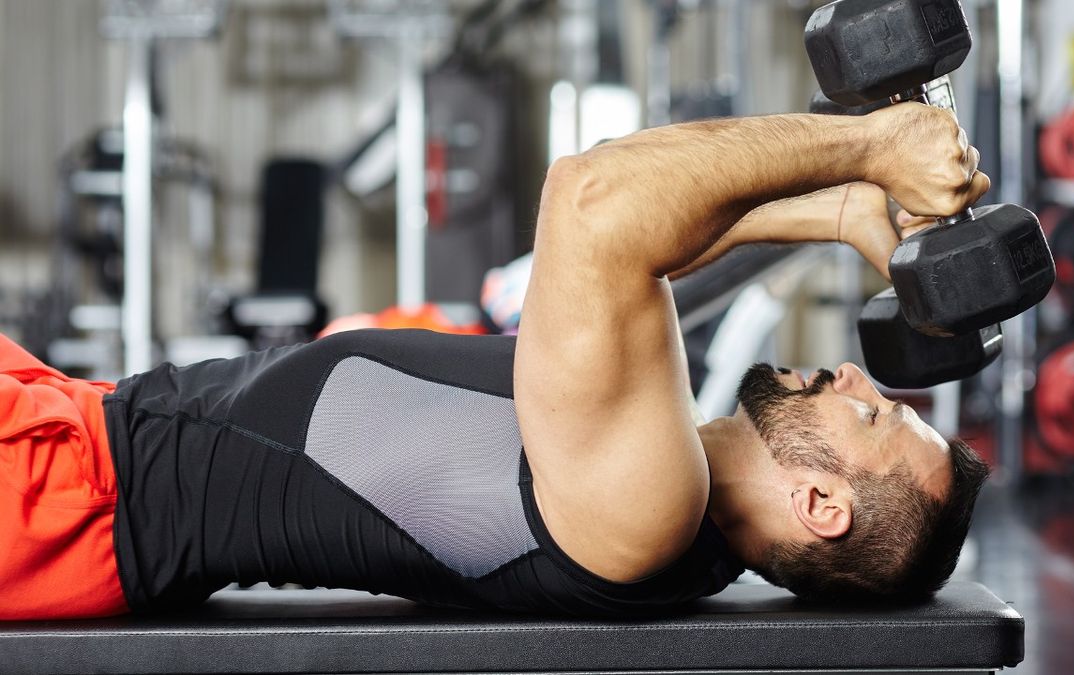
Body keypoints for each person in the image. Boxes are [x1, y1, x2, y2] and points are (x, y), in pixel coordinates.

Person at [1, 103, 990, 620]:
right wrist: (845, 208)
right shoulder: (663, 460)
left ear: (821, 507)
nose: (862, 381)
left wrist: (869, 143)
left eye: (875, 419)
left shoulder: (649, 508)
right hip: (76, 431)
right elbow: (627, 254)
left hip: (66, 494)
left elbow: (594, 199)